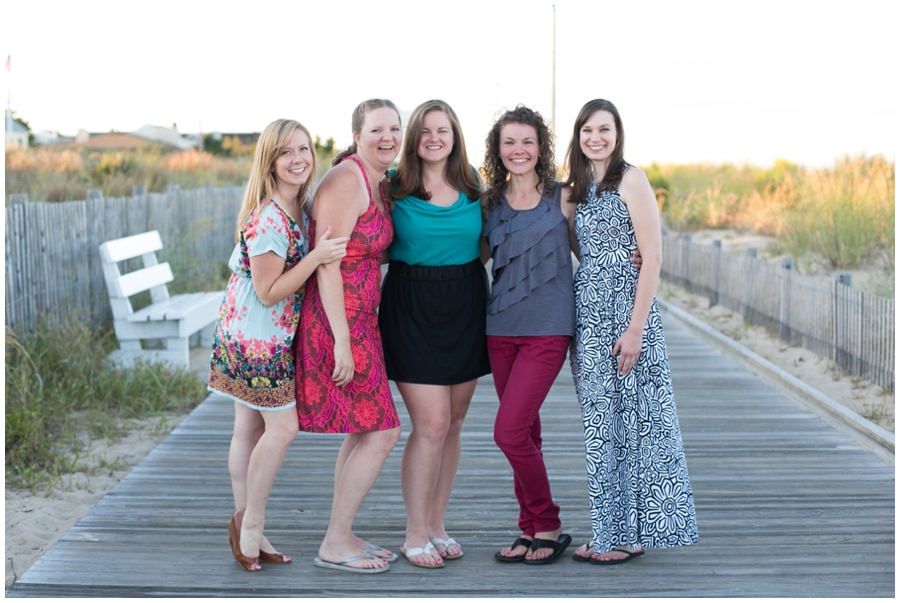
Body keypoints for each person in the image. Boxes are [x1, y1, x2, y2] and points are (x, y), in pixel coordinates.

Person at [208, 118, 349, 572]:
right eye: (286, 152)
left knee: (248, 430)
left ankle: (247, 526)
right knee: (282, 429)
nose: (298, 159)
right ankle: (251, 524)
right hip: (256, 340)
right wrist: (316, 257)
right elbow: (270, 292)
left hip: (247, 330)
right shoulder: (270, 217)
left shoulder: (297, 208)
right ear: (269, 160)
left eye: (304, 150)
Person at [564, 99, 699, 565]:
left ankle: (628, 536)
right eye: (587, 130)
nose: (595, 137)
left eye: (604, 129)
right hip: (589, 318)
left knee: (638, 424)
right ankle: (613, 531)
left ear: (618, 133)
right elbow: (573, 244)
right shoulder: (578, 186)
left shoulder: (631, 179)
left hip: (627, 317)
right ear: (577, 135)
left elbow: (653, 256)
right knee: (603, 428)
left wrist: (637, 327)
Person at [378, 100, 490, 569]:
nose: (433, 138)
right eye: (425, 131)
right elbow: (368, 244)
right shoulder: (393, 188)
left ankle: (437, 525)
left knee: (455, 424)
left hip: (465, 301)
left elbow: (492, 243)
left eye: (442, 130)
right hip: (411, 304)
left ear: (454, 135)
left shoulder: (474, 186)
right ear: (413, 138)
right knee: (431, 425)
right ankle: (414, 532)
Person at [295, 99, 403, 574]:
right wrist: (340, 338)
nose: (388, 137)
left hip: (364, 321)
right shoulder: (345, 180)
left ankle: (342, 531)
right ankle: (335, 541)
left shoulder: (378, 183)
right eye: (377, 129)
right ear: (357, 135)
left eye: (395, 129)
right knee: (384, 431)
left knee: (363, 429)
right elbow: (328, 263)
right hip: (339, 320)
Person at [480, 106, 574, 565]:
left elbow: (592, 248)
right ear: (498, 150)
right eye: (509, 142)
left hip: (548, 330)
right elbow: (468, 257)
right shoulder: (488, 203)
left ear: (541, 147)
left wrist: (631, 261)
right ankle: (529, 528)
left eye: (527, 141)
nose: (519, 150)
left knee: (509, 431)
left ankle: (549, 522)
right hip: (500, 329)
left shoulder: (564, 197)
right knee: (526, 433)